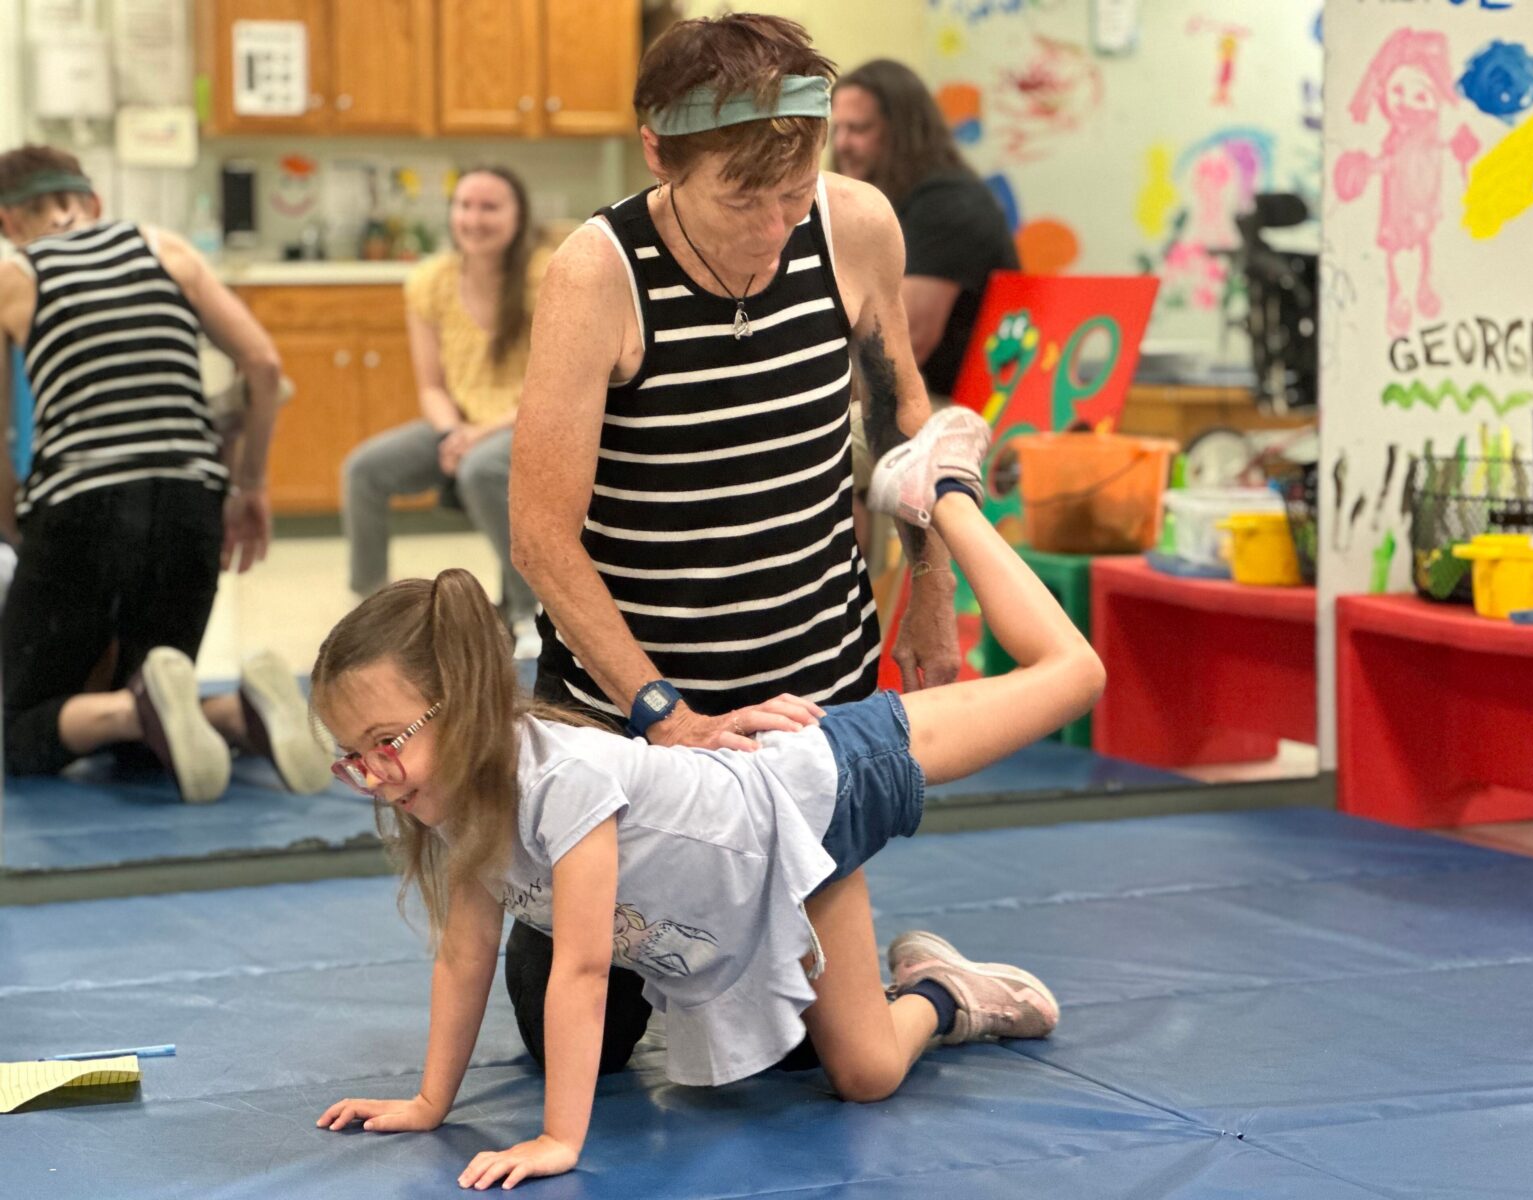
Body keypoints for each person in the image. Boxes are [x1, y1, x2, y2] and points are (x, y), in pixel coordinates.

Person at [312, 408, 1105, 1187]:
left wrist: (559, 1138)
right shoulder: (457, 806)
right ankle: (944, 989)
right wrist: (428, 1101)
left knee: (1072, 676)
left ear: (465, 705)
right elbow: (463, 956)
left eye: (387, 742)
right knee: (866, 1074)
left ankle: (944, 488)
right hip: (765, 874)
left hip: (827, 784)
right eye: (352, 758)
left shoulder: (563, 782)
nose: (373, 773)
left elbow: (584, 973)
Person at [506, 15, 966, 1077]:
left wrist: (931, 588)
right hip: (630, 716)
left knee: (812, 1061)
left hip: (808, 704)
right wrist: (661, 714)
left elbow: (907, 421)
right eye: (739, 199)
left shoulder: (856, 227)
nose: (772, 226)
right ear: (660, 155)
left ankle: (942, 988)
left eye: (791, 193)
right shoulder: (596, 274)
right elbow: (540, 536)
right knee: (572, 1044)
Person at [0, 144, 325, 802]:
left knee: (20, 729)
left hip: (80, 507)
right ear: (93, 203)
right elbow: (264, 370)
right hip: (191, 504)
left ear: (9, 222)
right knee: (152, 738)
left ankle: (132, 707)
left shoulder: (16, 274)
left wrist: (15, 530)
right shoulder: (166, 249)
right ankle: (240, 713)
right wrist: (249, 487)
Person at [342, 166, 549, 655]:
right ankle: (372, 608)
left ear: (518, 216)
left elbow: (549, 388)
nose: (474, 218)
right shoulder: (430, 281)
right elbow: (431, 385)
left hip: (529, 421)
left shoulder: (546, 274)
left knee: (483, 469)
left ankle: (528, 610)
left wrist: (473, 438)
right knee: (363, 470)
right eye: (465, 205)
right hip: (460, 425)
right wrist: (451, 432)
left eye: (489, 207)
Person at [831, 61, 1020, 553]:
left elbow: (902, 346)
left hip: (963, 408)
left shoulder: (947, 204)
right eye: (838, 128)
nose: (844, 143)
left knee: (818, 448)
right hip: (919, 397)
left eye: (861, 128)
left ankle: (847, 612)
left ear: (903, 130)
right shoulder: (891, 205)